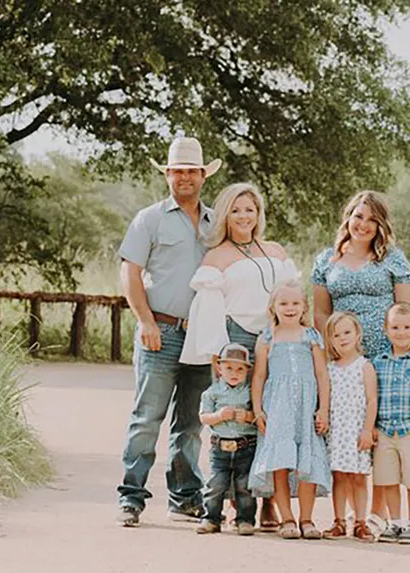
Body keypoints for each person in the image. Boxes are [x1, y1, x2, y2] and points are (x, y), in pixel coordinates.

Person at [310, 190, 410, 533]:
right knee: (346, 429)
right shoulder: (326, 261)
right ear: (347, 218)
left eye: (371, 219)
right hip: (343, 354)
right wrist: (326, 353)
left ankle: (375, 514)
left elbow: (409, 310)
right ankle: (347, 512)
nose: (363, 225)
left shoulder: (391, 259)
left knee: (377, 431)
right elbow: (321, 311)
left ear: (380, 225)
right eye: (358, 217)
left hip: (383, 354)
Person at [115, 135, 222, 527]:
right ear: (168, 175)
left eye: (191, 171)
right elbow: (129, 272)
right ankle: (131, 497)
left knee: (191, 423)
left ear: (202, 176)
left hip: (202, 337)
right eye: (177, 171)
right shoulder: (150, 219)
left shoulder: (216, 223)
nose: (184, 178)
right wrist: (145, 321)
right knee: (147, 418)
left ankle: (185, 497)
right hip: (160, 330)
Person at [180, 182, 298, 530]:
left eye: (250, 209)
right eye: (236, 210)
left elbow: (293, 295)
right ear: (225, 215)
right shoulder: (217, 255)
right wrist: (218, 352)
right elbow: (210, 309)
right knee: (240, 420)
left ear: (258, 213)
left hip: (276, 336)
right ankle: (235, 504)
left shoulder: (275, 250)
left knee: (273, 418)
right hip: (237, 340)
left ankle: (269, 502)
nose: (243, 216)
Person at [249, 280, 332, 540]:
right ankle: (286, 518)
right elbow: (259, 376)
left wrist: (324, 410)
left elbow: (321, 374)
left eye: (295, 303)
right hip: (278, 407)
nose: (290, 308)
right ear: (273, 306)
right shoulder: (267, 338)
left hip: (306, 405)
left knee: (306, 461)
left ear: (304, 306)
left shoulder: (311, 336)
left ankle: (306, 519)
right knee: (280, 462)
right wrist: (258, 411)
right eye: (283, 303)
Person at [371, 302, 410, 545]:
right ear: (386, 330)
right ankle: (395, 523)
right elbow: (374, 396)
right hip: (385, 429)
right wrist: (372, 426)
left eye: (407, 327)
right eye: (395, 327)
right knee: (388, 479)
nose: (401, 332)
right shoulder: (379, 362)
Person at [320, 312, 378, 542]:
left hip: (357, 431)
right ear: (330, 340)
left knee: (359, 477)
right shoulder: (330, 368)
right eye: (336, 335)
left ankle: (361, 522)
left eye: (347, 332)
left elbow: (372, 400)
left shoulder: (364, 366)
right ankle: (339, 521)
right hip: (337, 432)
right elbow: (326, 397)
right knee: (339, 477)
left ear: (357, 334)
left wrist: (367, 429)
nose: (342, 338)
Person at [195, 343, 259, 536]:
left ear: (247, 371)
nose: (234, 373)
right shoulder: (212, 393)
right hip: (219, 447)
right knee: (215, 484)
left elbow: (258, 415)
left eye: (240, 368)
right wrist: (219, 415)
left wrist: (247, 416)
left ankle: (245, 520)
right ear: (219, 368)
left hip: (245, 445)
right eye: (229, 368)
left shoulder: (250, 392)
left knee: (245, 485)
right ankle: (211, 518)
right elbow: (204, 417)